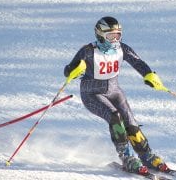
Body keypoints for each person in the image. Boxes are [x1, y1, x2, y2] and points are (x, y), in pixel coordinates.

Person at [64, 16, 168, 175]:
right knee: (115, 117)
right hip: (92, 93)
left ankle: (146, 155)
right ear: (100, 34)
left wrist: (149, 75)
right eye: (110, 36)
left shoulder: (122, 49)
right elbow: (68, 70)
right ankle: (127, 159)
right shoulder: (88, 50)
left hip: (114, 91)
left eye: (117, 35)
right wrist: (74, 70)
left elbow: (138, 62)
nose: (114, 40)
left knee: (130, 121)